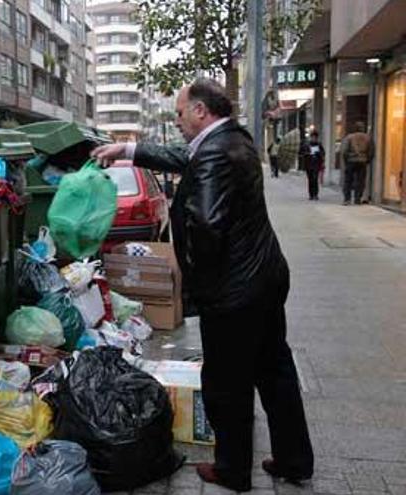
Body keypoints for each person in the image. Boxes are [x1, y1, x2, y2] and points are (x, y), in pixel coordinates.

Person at [91, 78, 314, 493]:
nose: (176, 121)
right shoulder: (234, 139)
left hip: (234, 289)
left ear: (200, 111)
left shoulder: (214, 152)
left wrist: (193, 282)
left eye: (179, 113)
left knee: (227, 383)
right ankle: (294, 459)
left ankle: (232, 470)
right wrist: (129, 150)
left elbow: (206, 225)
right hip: (265, 276)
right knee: (274, 370)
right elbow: (185, 158)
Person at [340, 122, 374, 205]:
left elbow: (344, 151)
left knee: (348, 181)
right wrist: (368, 160)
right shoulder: (368, 138)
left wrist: (346, 160)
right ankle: (357, 199)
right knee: (360, 181)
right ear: (363, 128)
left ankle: (347, 199)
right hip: (362, 161)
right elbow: (371, 151)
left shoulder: (349, 137)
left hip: (351, 161)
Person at [299, 131, 325, 200]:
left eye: (315, 137)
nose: (314, 138)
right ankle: (311, 194)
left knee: (315, 179)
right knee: (310, 180)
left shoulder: (319, 145)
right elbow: (301, 153)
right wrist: (307, 153)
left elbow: (323, 153)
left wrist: (319, 153)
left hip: (316, 164)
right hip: (309, 164)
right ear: (311, 137)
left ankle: (315, 194)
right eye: (313, 137)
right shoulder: (306, 145)